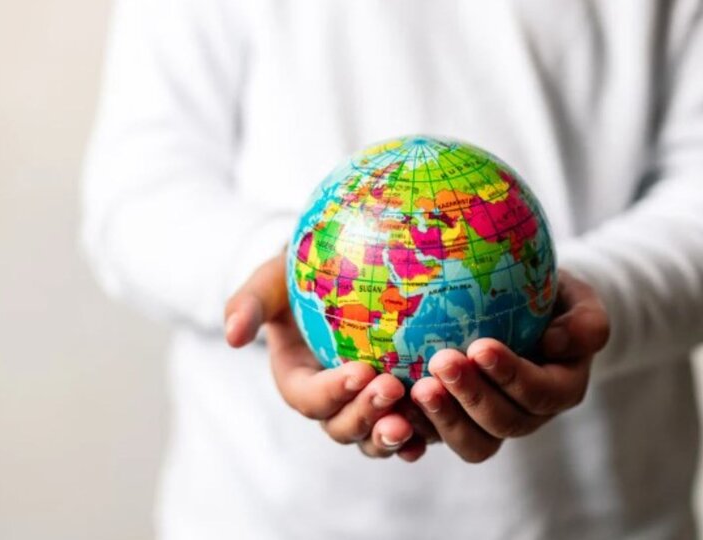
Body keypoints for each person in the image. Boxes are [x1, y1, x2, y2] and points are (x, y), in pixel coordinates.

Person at [82, 0, 703, 538]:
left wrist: (587, 302)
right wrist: (290, 270)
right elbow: (135, 195)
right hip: (263, 516)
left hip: (602, 515)